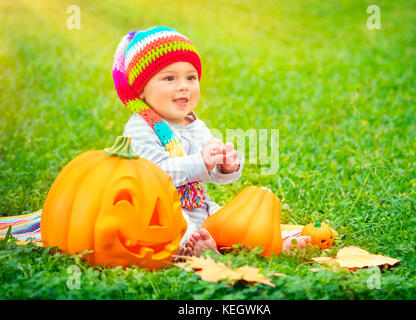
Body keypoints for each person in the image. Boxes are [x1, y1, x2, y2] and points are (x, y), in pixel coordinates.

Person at [112, 26, 311, 258]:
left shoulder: (194, 124)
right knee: (174, 229)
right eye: (169, 78)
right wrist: (200, 162)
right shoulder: (140, 128)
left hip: (201, 209)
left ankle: (268, 242)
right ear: (142, 90)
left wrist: (226, 166)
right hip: (164, 213)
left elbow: (212, 172)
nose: (183, 85)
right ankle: (198, 249)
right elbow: (155, 176)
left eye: (190, 77)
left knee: (236, 221)